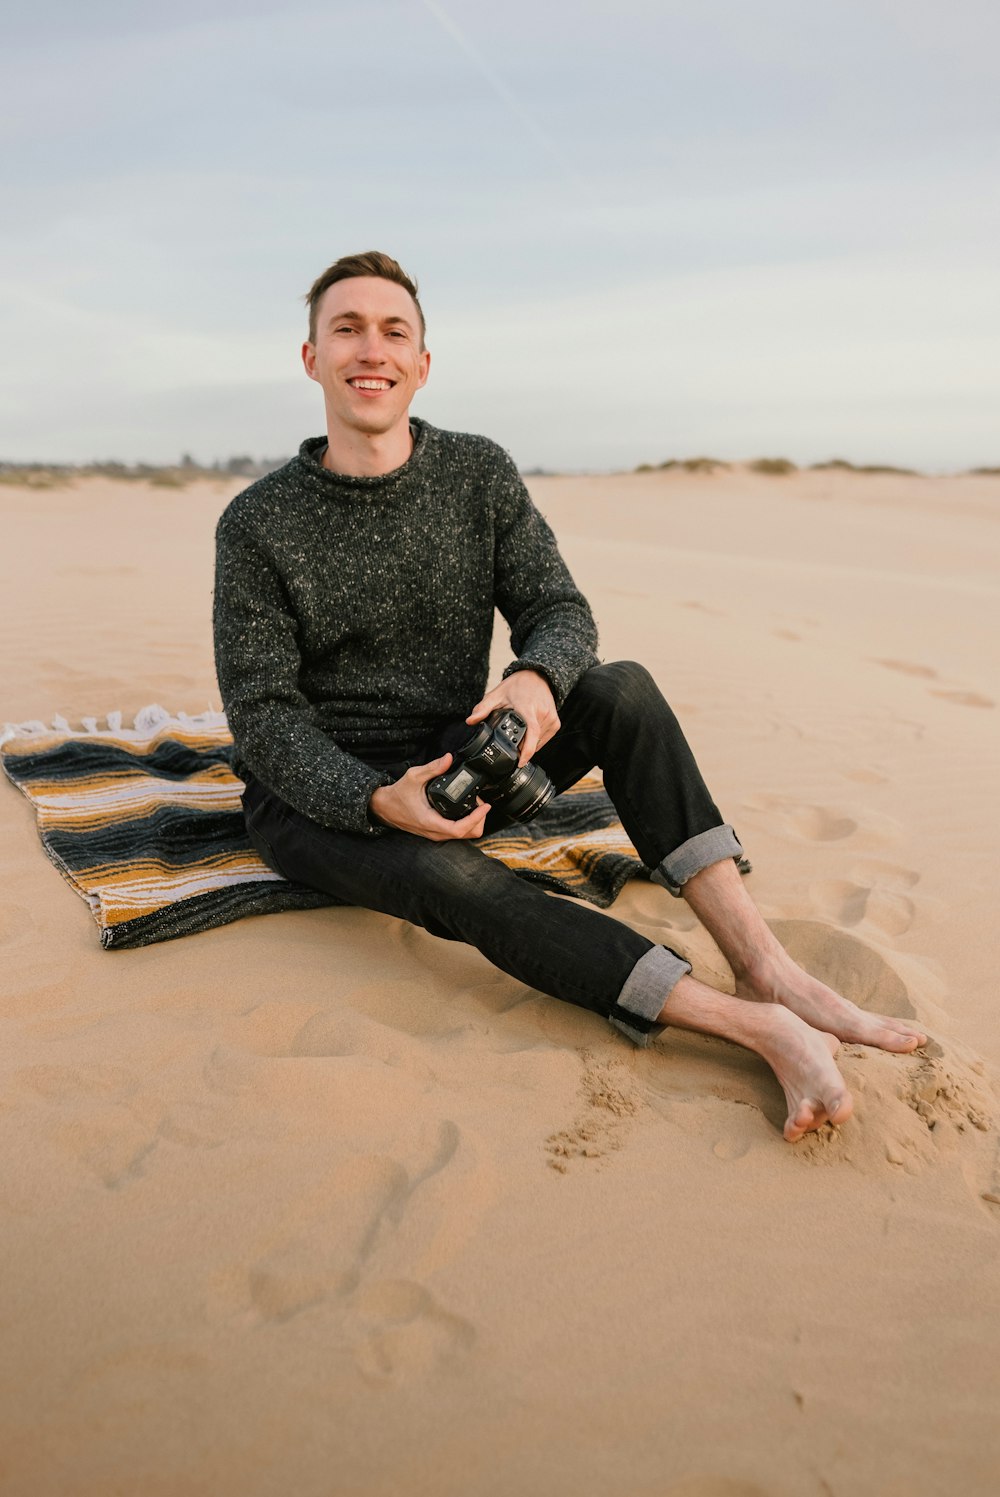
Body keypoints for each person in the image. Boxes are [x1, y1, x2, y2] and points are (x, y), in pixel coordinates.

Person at [213, 250, 927, 1143]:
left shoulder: (477, 473)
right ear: (312, 357)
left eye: (394, 331)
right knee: (452, 879)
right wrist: (372, 797)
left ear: (423, 363)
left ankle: (765, 965)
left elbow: (559, 609)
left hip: (455, 759)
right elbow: (262, 713)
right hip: (318, 801)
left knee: (620, 688)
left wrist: (534, 677)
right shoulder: (257, 521)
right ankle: (756, 1026)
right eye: (346, 328)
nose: (372, 349)